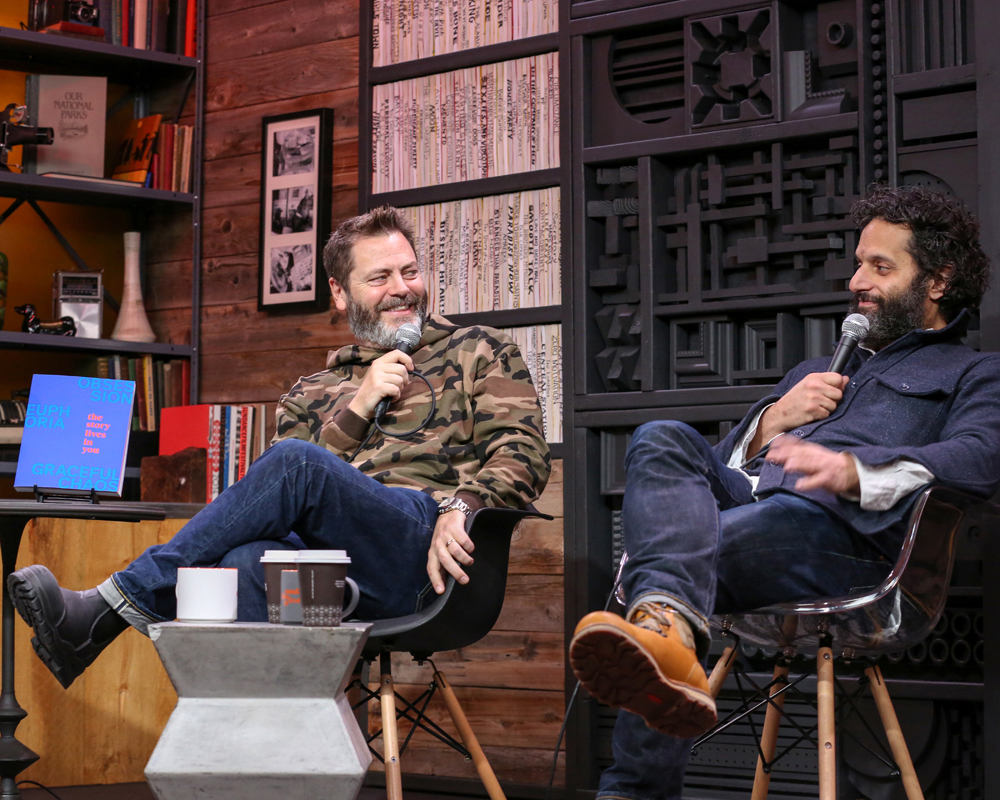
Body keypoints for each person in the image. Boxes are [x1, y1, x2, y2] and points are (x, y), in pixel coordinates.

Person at [569, 184, 1000, 799]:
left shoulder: (975, 373)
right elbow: (696, 485)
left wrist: (854, 470)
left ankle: (637, 773)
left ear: (937, 281)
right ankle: (669, 630)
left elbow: (981, 459)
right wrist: (773, 419)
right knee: (661, 437)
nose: (857, 280)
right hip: (758, 522)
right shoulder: (812, 373)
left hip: (851, 548)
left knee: (669, 567)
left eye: (880, 266)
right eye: (858, 263)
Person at [9, 206, 551, 689]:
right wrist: (358, 406)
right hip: (324, 575)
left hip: (421, 555)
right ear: (340, 292)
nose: (402, 288)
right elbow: (280, 501)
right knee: (249, 557)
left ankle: (108, 608)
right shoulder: (313, 392)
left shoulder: (479, 350)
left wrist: (463, 506)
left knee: (296, 464)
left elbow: (522, 450)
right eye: (380, 277)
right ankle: (257, 757)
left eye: (410, 272)